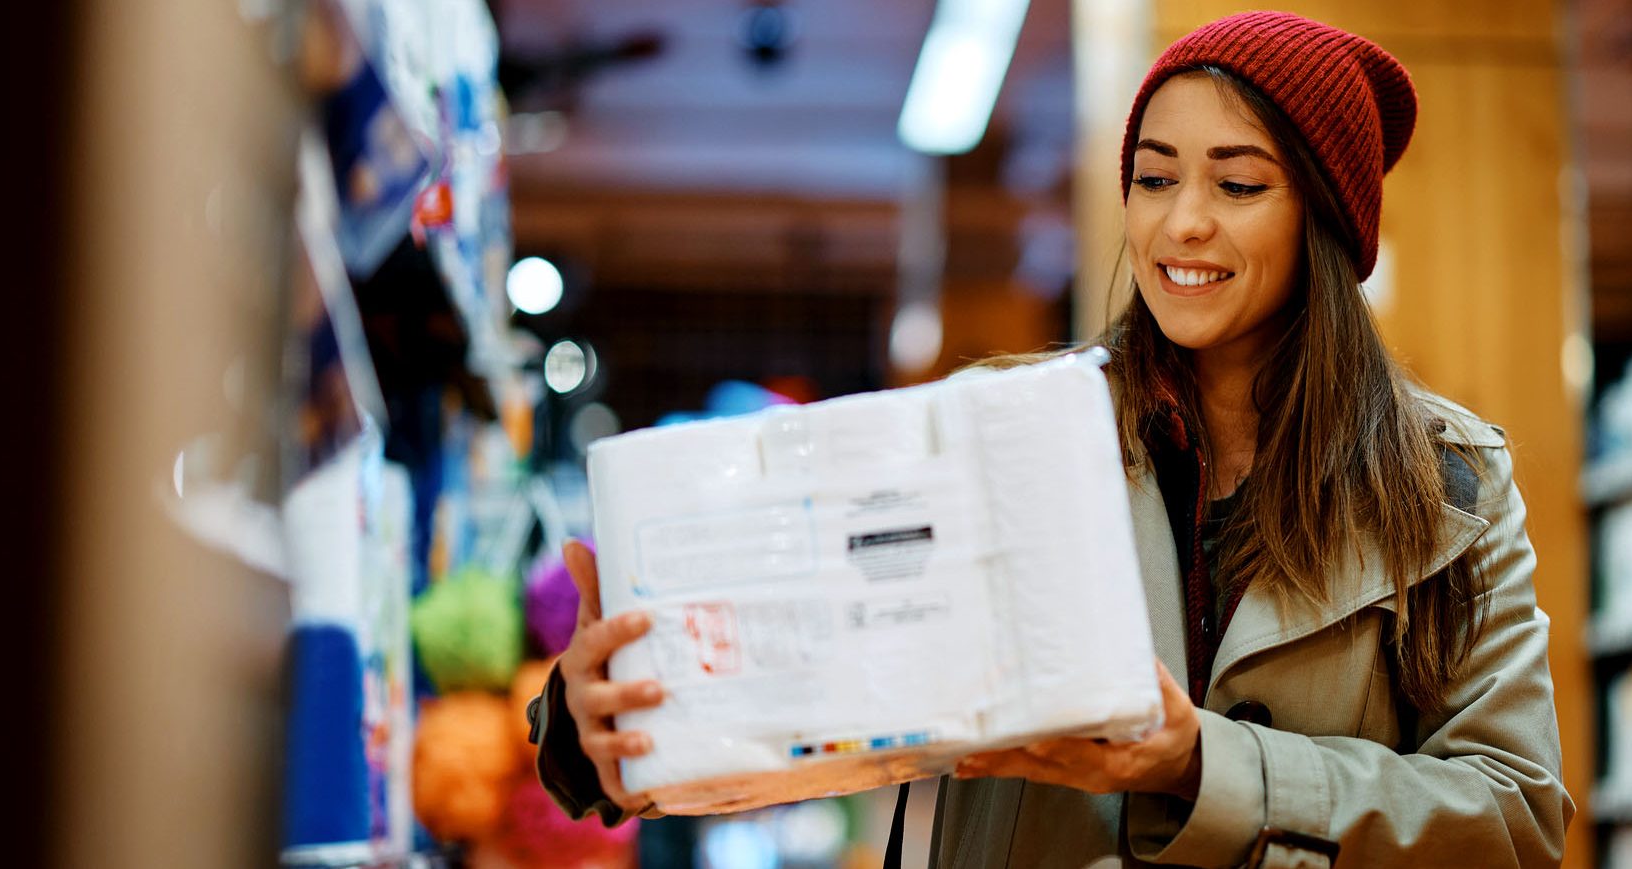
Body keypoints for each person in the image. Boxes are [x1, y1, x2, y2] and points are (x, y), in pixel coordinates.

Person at [527, 11, 1572, 867]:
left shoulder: (1449, 488)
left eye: (1238, 183)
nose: (1181, 224)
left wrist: (1199, 764)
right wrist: (603, 720)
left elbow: (1516, 817)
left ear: (1327, 221)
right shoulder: (999, 427)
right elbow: (841, 664)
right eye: (1155, 178)